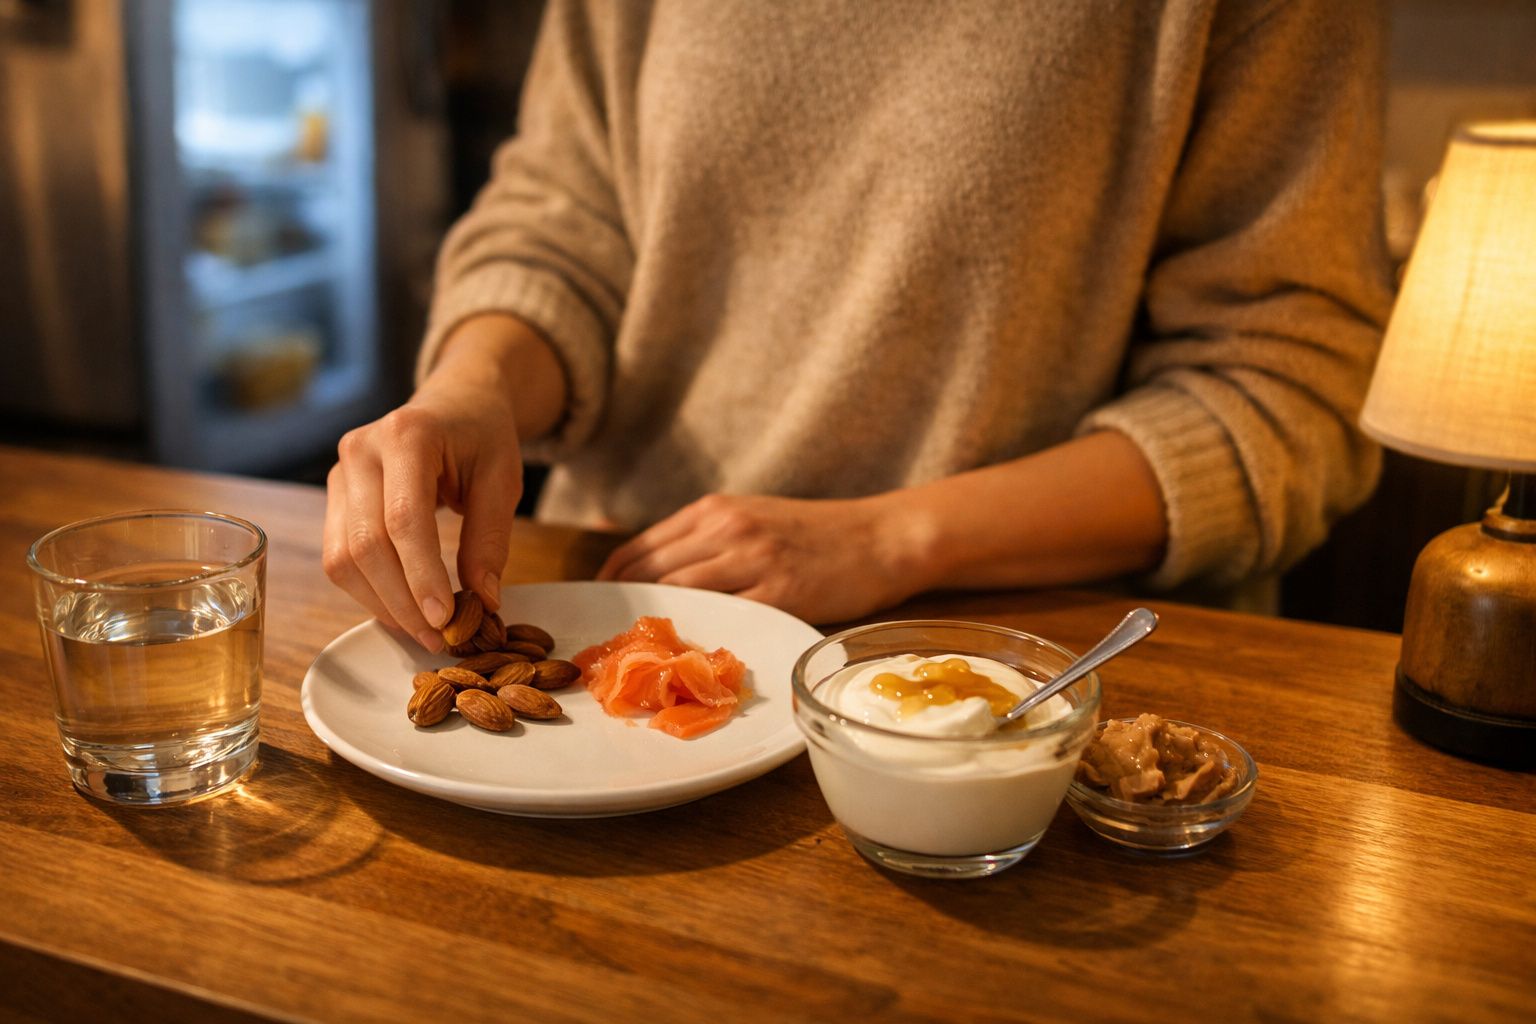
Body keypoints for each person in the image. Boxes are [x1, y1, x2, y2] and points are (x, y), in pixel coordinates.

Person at [323, 0, 1394, 651]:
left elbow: (1283, 388)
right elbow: (567, 223)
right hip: (612, 608)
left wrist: (888, 538)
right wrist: (475, 387)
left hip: (1013, 668)